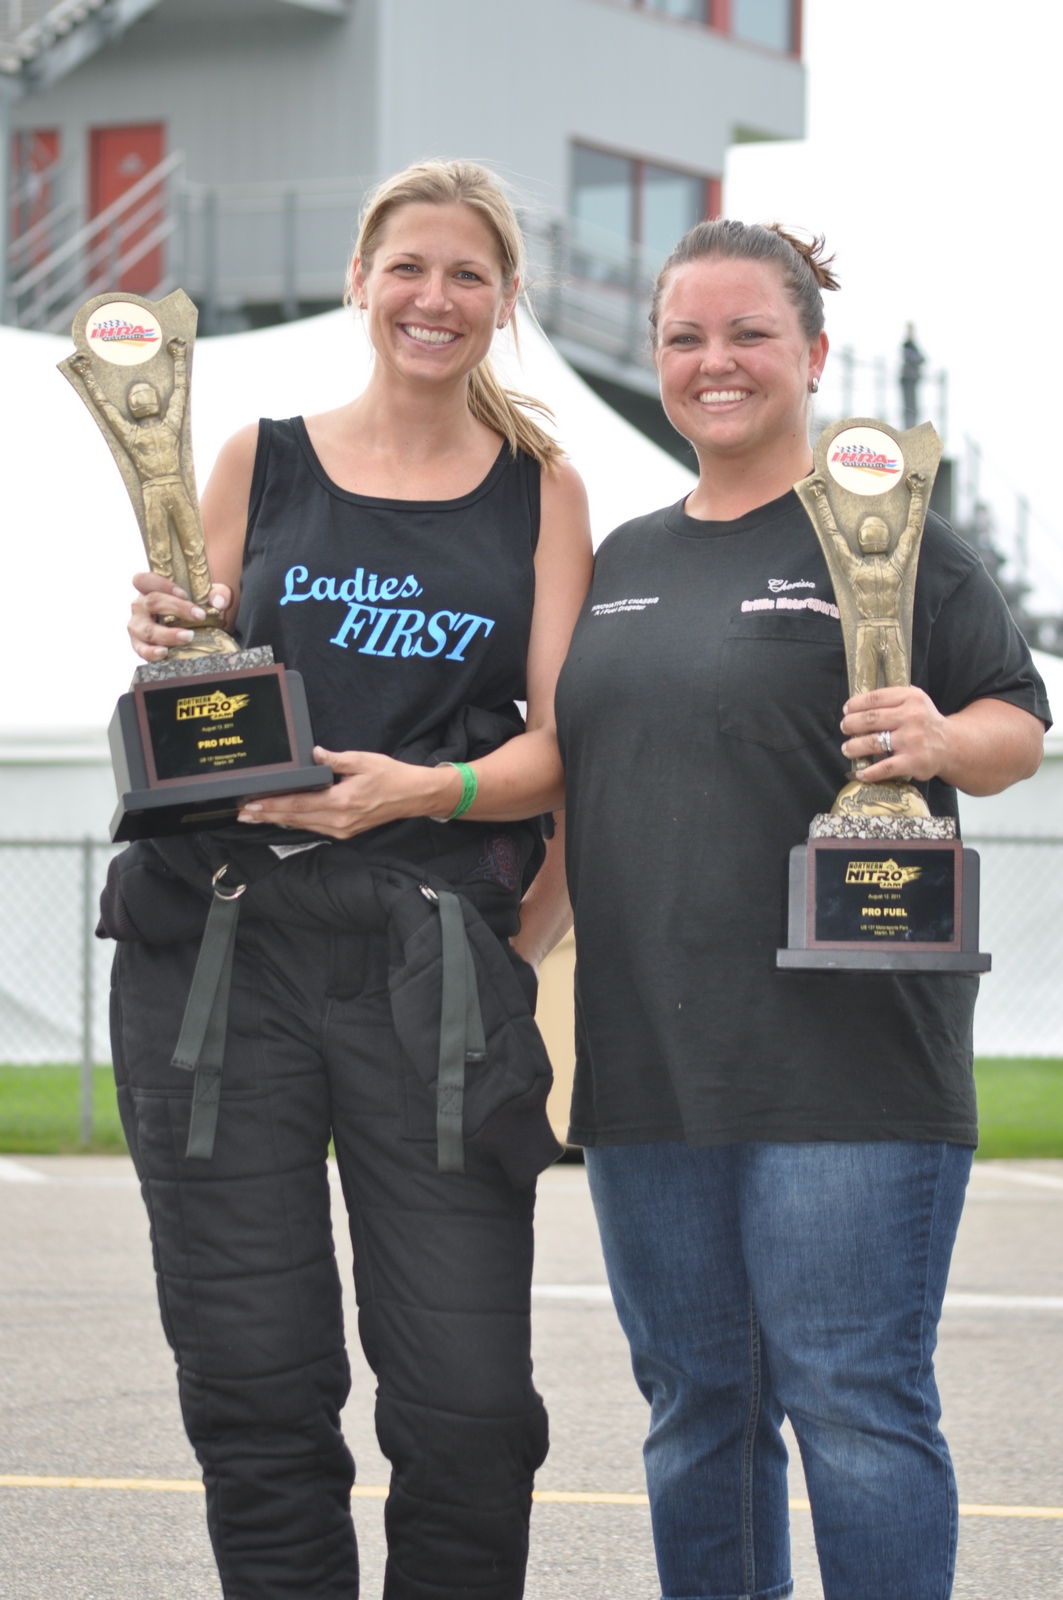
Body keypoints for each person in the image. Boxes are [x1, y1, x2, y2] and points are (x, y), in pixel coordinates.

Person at [102, 160, 591, 1600]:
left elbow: (564, 748)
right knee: (253, 1381)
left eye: (467, 275)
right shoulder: (257, 460)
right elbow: (198, 675)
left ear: (505, 301)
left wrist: (419, 793)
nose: (435, 298)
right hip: (222, 953)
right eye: (408, 268)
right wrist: (162, 630)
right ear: (359, 281)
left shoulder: (541, 492)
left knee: (468, 1408)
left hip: (425, 969)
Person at [554, 219, 1049, 1600]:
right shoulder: (619, 559)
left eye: (749, 334)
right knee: (695, 1408)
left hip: (852, 1061)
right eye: (684, 337)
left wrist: (942, 738)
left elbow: (1019, 725)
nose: (715, 361)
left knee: (854, 1403)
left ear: (815, 354)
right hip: (650, 1061)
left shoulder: (901, 539)